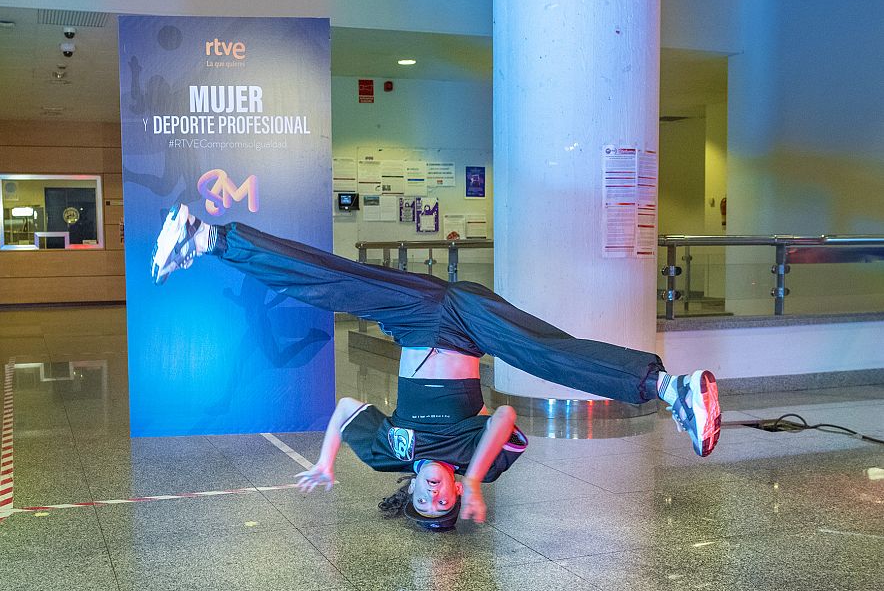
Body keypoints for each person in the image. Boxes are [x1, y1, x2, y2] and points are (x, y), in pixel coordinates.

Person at [150, 204, 721, 529]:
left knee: (335, 284)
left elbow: (348, 409)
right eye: (445, 502)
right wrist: (474, 477)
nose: (438, 495)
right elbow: (501, 418)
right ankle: (670, 388)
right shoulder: (477, 466)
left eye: (427, 501)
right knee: (544, 353)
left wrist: (326, 463)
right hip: (468, 326)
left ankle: (207, 237)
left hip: (418, 318)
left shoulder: (395, 452)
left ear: (413, 493)